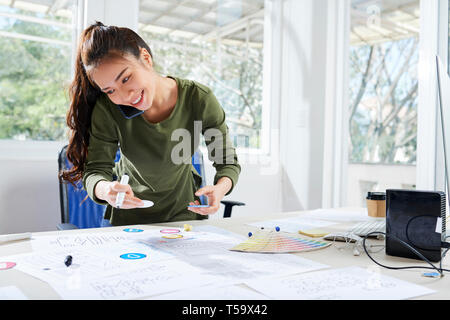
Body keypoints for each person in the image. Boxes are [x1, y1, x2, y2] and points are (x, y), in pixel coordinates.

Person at [60, 21, 241, 226]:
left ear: (145, 58)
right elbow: (95, 171)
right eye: (110, 90)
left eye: (126, 78)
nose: (124, 95)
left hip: (186, 217)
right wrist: (106, 190)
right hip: (128, 223)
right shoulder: (107, 109)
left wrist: (219, 189)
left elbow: (226, 161)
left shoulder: (198, 99)